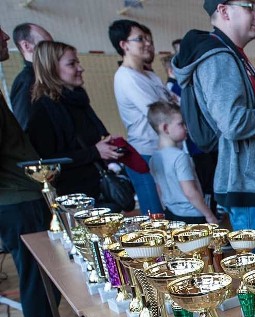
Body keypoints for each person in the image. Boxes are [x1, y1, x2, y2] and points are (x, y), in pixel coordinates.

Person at [172, 0, 255, 265]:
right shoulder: (219, 57)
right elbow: (233, 123)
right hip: (248, 182)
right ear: (223, 11)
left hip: (254, 178)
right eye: (250, 7)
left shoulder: (231, 53)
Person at [0, 26, 94, 317]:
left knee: (44, 273)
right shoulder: (35, 95)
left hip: (24, 196)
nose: (5, 39)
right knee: (36, 275)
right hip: (17, 199)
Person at [28, 41, 125, 205]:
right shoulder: (44, 109)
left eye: (77, 62)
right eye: (72, 64)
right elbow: (46, 160)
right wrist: (94, 152)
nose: (80, 68)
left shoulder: (78, 99)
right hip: (73, 197)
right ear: (51, 69)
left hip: (97, 187)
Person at [109, 19, 174, 216]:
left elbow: (171, 106)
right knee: (156, 217)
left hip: (165, 151)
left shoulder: (150, 76)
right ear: (124, 45)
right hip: (145, 153)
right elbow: (162, 113)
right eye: (140, 39)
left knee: (173, 211)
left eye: (148, 39)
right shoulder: (126, 77)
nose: (147, 43)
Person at [148, 102, 217, 225]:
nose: (186, 127)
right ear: (165, 128)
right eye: (181, 124)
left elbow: (160, 190)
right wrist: (209, 215)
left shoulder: (154, 158)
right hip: (192, 215)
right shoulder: (180, 157)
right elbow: (190, 192)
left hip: (171, 214)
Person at [10, 23, 52, 130]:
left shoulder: (45, 76)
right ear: (26, 46)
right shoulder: (27, 81)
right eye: (46, 44)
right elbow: (24, 127)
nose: (53, 49)